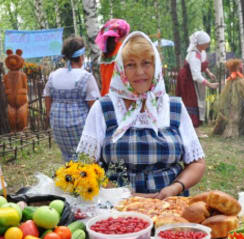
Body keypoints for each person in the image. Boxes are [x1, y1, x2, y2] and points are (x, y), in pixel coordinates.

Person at [77, 31, 206, 199]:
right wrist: (119, 194)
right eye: (131, 65)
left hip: (169, 207)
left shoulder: (174, 107)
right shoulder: (104, 108)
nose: (139, 72)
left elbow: (197, 162)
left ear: (156, 66)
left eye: (146, 63)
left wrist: (175, 188)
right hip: (118, 210)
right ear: (121, 69)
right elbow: (85, 165)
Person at [44, 36, 100, 162]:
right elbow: (94, 106)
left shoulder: (54, 75)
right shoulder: (86, 77)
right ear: (81, 57)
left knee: (68, 157)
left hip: (58, 125)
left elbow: (47, 95)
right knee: (84, 156)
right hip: (80, 125)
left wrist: (50, 114)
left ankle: (70, 175)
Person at [176, 31, 219, 136]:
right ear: (200, 43)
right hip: (188, 80)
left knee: (197, 101)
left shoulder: (201, 52)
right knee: (192, 102)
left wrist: (208, 72)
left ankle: (195, 129)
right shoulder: (194, 55)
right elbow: (196, 75)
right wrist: (209, 84)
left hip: (192, 79)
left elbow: (202, 65)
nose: (208, 45)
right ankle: (194, 131)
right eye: (207, 43)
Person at [95, 18, 130, 96]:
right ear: (124, 33)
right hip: (121, 98)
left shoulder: (105, 53)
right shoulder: (125, 50)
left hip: (106, 97)